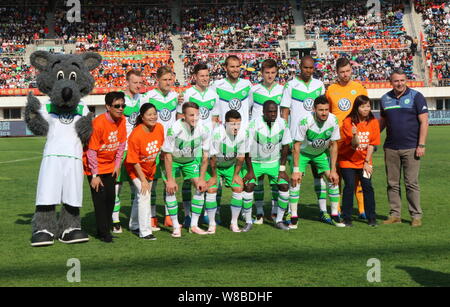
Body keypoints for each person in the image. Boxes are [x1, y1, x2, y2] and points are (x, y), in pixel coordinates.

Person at [281, 55, 327, 228]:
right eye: (305, 67)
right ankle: (291, 213)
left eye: (311, 68)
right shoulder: (291, 85)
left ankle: (323, 211)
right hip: (297, 139)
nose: (308, 71)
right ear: (300, 67)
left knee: (319, 174)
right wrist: (285, 134)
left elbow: (324, 110)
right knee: (295, 177)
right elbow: (284, 111)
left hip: (316, 138)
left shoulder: (319, 85)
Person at [380, 70, 428, 227]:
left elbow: (424, 122)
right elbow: (382, 123)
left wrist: (421, 144)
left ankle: (416, 216)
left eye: (402, 80)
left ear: (406, 80)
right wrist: (369, 138)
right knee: (392, 183)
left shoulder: (416, 96)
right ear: (390, 82)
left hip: (411, 148)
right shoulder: (385, 99)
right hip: (391, 148)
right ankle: (395, 215)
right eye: (396, 81)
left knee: (411, 183)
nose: (399, 83)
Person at [290, 95, 344, 227]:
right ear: (314, 109)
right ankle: (293, 215)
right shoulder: (305, 121)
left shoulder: (333, 120)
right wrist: (296, 170)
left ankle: (335, 215)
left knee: (333, 179)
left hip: (320, 154)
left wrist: (333, 170)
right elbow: (296, 145)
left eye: (326, 109)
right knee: (296, 181)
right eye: (321, 110)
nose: (324, 113)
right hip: (303, 153)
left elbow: (334, 145)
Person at [177, 63, 220, 228]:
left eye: (207, 75)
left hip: (208, 143)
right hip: (192, 143)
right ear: (194, 76)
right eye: (201, 76)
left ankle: (208, 214)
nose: (205, 78)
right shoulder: (188, 93)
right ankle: (188, 215)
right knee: (189, 180)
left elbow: (215, 119)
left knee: (210, 178)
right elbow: (181, 117)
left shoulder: (213, 95)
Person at [326, 57, 369, 219]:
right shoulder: (331, 90)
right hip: (337, 140)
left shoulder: (359, 88)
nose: (345, 74)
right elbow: (327, 114)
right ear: (336, 72)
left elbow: (365, 111)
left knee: (357, 176)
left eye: (347, 71)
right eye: (341, 72)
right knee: (335, 175)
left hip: (356, 139)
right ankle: (336, 210)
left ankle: (362, 210)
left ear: (352, 70)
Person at [211, 55, 252, 223]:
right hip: (223, 137)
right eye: (232, 66)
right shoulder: (217, 85)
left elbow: (248, 108)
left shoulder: (247, 85)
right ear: (225, 68)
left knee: (240, 177)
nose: (235, 69)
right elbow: (214, 111)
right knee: (217, 181)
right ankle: (217, 211)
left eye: (237, 66)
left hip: (241, 137)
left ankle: (243, 212)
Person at [162, 102, 210, 238]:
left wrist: (201, 179)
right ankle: (176, 226)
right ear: (183, 116)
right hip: (173, 161)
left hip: (190, 161)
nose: (194, 118)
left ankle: (194, 225)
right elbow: (167, 154)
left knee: (201, 187)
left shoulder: (204, 128)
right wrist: (170, 180)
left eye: (196, 115)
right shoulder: (174, 128)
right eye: (191, 115)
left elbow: (205, 155)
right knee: (170, 189)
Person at [84, 91, 127, 243]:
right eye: (117, 105)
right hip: (94, 167)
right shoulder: (98, 123)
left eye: (123, 105)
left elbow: (121, 144)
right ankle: (103, 233)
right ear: (108, 106)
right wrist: (95, 176)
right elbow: (91, 151)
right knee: (100, 199)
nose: (121, 108)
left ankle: (105, 229)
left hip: (110, 167)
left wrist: (117, 164)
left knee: (111, 198)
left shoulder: (122, 121)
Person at [243, 100, 291, 231]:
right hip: (255, 163)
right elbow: (246, 149)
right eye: (270, 111)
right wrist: (250, 171)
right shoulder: (253, 124)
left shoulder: (282, 123)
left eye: (275, 111)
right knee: (248, 187)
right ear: (263, 112)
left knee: (284, 186)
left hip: (273, 162)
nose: (273, 114)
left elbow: (286, 146)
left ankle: (279, 220)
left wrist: (282, 169)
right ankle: (248, 221)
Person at [248, 58, 285, 223]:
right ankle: (260, 211)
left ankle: (276, 210)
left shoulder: (282, 90)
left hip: (274, 139)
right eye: (267, 72)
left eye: (272, 72)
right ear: (261, 73)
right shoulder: (254, 90)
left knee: (276, 177)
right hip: (257, 139)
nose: (270, 76)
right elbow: (248, 109)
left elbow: (284, 113)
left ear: (276, 73)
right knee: (259, 180)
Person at [143, 66, 179, 228]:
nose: (168, 82)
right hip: (153, 145)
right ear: (158, 80)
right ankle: (151, 217)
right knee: (153, 182)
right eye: (164, 79)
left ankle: (168, 215)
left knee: (169, 181)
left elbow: (178, 121)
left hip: (170, 146)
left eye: (170, 79)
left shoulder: (176, 97)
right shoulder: (149, 97)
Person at [338, 95, 380, 227]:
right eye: (363, 106)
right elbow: (354, 145)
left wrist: (367, 162)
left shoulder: (373, 122)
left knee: (368, 187)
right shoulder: (348, 122)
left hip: (364, 162)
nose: (366, 109)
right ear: (357, 108)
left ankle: (372, 218)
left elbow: (372, 144)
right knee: (349, 187)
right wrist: (355, 134)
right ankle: (347, 218)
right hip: (347, 160)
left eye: (368, 106)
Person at [126, 103, 165, 240]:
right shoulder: (136, 135)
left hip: (150, 168)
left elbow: (161, 149)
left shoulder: (159, 128)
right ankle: (145, 231)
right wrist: (142, 180)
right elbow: (134, 160)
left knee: (140, 196)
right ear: (142, 117)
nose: (153, 117)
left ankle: (134, 225)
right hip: (135, 169)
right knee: (144, 194)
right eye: (149, 114)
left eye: (154, 113)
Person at [205, 110, 248, 233]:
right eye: (232, 124)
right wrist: (214, 176)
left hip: (230, 166)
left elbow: (241, 157)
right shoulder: (218, 134)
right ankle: (212, 224)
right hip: (215, 165)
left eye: (238, 124)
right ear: (225, 123)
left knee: (238, 188)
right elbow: (212, 158)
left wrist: (236, 175)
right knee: (212, 189)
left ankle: (233, 223)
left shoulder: (243, 134)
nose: (236, 127)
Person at [113, 69, 144, 234]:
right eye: (135, 82)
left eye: (140, 82)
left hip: (136, 150)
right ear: (127, 82)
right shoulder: (120, 100)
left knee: (137, 188)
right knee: (117, 187)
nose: (138, 85)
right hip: (120, 149)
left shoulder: (143, 98)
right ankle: (115, 220)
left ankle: (134, 222)